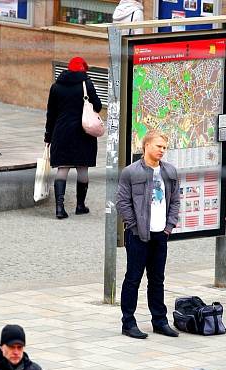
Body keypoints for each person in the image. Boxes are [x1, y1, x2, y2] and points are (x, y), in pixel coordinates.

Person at [116, 130, 181, 339]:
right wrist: (134, 226)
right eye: (158, 146)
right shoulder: (131, 172)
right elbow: (122, 202)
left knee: (157, 280)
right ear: (146, 146)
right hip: (137, 235)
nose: (162, 150)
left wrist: (169, 227)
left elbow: (175, 201)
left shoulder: (169, 172)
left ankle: (159, 320)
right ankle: (128, 322)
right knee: (133, 279)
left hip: (160, 234)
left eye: (164, 147)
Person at [44, 56, 103, 219]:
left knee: (62, 168)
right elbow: (97, 106)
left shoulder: (56, 86)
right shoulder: (87, 84)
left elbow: (51, 114)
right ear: (83, 69)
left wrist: (48, 136)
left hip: (61, 132)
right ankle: (80, 205)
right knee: (82, 168)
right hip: (83, 132)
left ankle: (59, 209)